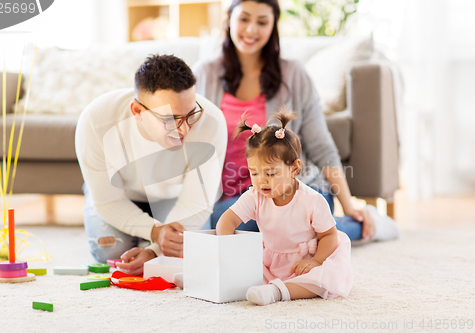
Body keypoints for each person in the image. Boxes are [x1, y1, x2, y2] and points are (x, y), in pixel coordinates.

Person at [193, 0, 399, 242]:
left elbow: (322, 147)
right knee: (223, 223)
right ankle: (333, 230)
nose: (251, 30)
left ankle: (362, 224)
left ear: (273, 27)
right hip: (237, 197)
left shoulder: (293, 74)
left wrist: (348, 203)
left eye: (262, 22)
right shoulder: (204, 74)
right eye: (244, 19)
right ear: (229, 20)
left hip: (295, 192)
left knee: (274, 226)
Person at [76, 55, 227, 275]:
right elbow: (108, 201)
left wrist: (156, 250)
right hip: (120, 195)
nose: (184, 130)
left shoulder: (211, 122)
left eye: (190, 114)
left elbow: (196, 203)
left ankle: (143, 233)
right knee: (111, 252)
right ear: (137, 111)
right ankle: (133, 228)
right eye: (171, 119)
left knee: (186, 250)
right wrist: (155, 231)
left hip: (174, 197)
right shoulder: (96, 121)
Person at [216, 112, 352, 305]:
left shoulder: (312, 200)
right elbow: (227, 220)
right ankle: (202, 277)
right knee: (245, 271)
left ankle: (277, 293)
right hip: (270, 261)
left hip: (305, 262)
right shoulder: (255, 196)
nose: (261, 180)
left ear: (294, 169)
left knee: (322, 281)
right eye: (254, 172)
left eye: (270, 173)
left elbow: (329, 236)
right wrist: (226, 249)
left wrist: (316, 261)